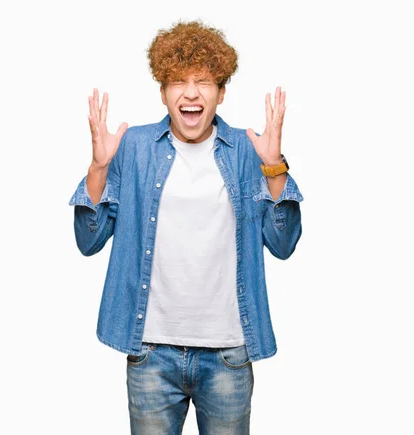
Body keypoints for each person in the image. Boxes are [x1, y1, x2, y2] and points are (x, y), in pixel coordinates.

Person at [69, 20, 303, 435]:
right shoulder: (133, 148)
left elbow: (283, 244)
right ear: (163, 92)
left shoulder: (252, 152)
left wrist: (274, 169)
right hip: (152, 353)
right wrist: (98, 168)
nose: (190, 92)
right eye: (178, 81)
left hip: (229, 353)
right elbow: (88, 241)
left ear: (221, 92)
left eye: (204, 81)